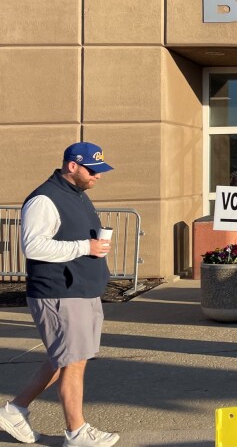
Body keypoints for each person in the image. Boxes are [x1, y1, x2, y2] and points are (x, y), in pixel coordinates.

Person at [0, 143, 119, 446]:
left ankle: (15, 410)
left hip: (80, 289)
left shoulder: (77, 195)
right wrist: (85, 247)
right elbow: (33, 245)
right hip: (59, 292)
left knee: (62, 359)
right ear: (72, 166)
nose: (98, 176)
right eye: (93, 170)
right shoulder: (44, 199)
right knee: (72, 362)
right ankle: (76, 432)